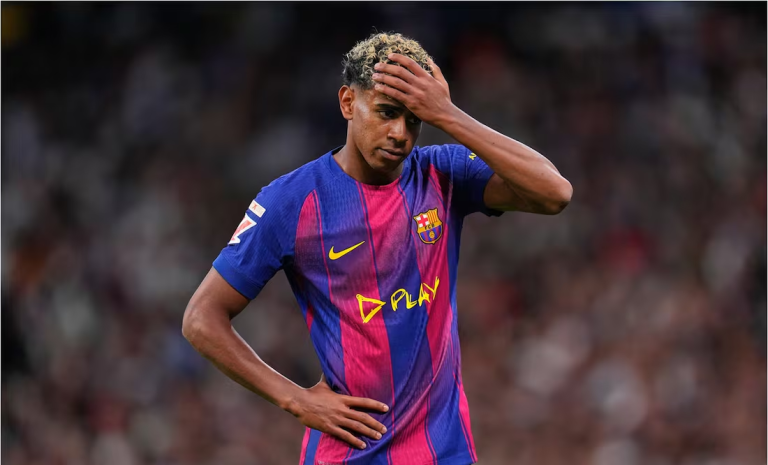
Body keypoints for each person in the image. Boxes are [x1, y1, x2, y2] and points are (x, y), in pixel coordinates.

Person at [182, 32, 572, 465]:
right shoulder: (292, 201)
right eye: (387, 113)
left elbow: (554, 193)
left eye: (414, 119)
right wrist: (295, 399)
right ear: (348, 102)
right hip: (348, 453)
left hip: (445, 452)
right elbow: (201, 318)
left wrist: (448, 114)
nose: (400, 134)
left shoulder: (443, 173)